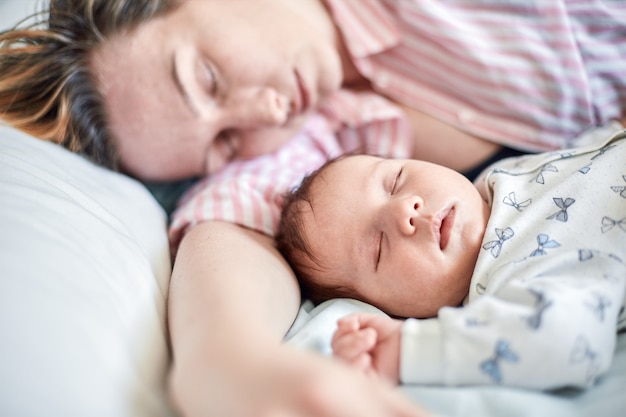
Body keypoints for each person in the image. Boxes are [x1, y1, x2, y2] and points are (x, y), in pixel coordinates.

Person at [1, 0, 626, 415]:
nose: (266, 116)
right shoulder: (330, 145)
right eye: (224, 143)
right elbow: (231, 229)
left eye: (210, 78)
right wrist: (230, 364)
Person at [276, 122, 626, 389]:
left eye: (396, 180)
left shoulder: (500, 177)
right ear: (398, 311)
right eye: (378, 249)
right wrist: (409, 351)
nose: (405, 211)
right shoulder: (511, 287)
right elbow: (563, 340)